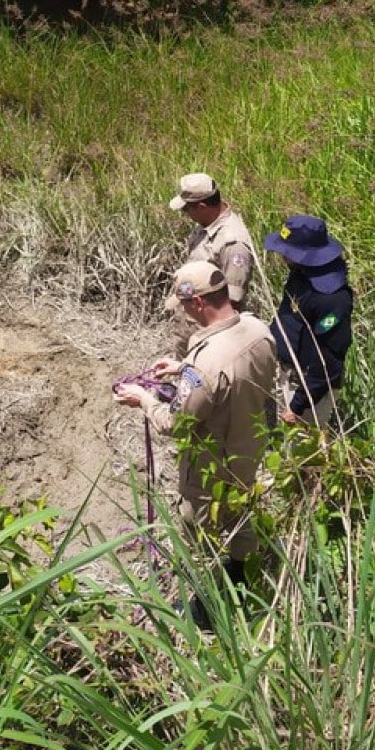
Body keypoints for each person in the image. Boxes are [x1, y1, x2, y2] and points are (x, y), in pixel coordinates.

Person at [114, 260, 276, 628]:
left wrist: (144, 400)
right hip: (250, 449)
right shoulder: (258, 329)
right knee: (242, 514)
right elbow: (243, 380)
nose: (183, 313)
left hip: (211, 464)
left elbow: (176, 423)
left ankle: (208, 609)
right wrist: (182, 368)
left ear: (198, 303)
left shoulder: (205, 365)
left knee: (197, 533)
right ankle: (243, 576)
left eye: (184, 306)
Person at [263, 215, 354, 429]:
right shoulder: (301, 274)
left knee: (300, 455)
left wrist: (297, 405)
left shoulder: (332, 298)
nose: (283, 256)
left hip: (306, 390)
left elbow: (329, 361)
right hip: (285, 373)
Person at [167, 173, 256, 357]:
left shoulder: (233, 243)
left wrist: (214, 342)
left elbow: (232, 301)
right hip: (190, 323)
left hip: (207, 334)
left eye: (187, 209)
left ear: (201, 206)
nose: (186, 214)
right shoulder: (206, 224)